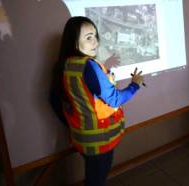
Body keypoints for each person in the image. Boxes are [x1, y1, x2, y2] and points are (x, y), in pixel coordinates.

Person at [51, 16, 144, 186]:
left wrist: (72, 123)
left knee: (93, 177)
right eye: (88, 38)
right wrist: (135, 85)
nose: (95, 42)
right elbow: (114, 99)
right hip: (100, 140)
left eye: (95, 36)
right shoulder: (90, 66)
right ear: (74, 42)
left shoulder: (64, 65)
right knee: (97, 180)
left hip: (82, 137)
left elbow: (57, 100)